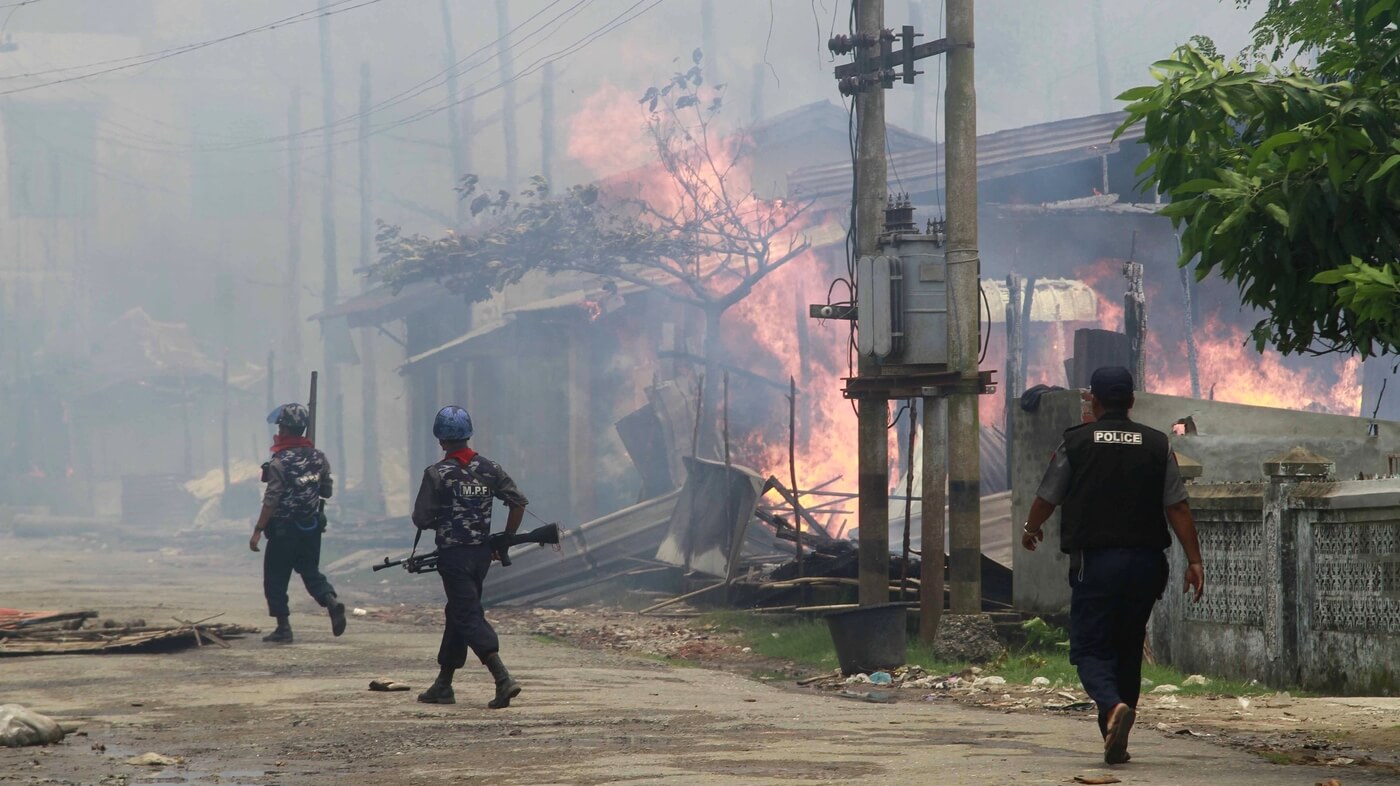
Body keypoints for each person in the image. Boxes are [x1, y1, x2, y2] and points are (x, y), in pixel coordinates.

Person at [1021, 366, 1205, 766]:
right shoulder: (1158, 445)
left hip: (1095, 563)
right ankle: (1116, 737)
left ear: (1094, 401)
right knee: (1127, 647)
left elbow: (1047, 496)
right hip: (1145, 565)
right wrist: (1194, 559)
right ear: (1132, 401)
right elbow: (1177, 505)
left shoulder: (1077, 442)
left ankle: (1110, 707)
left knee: (1089, 647)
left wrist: (1030, 528)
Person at [412, 405, 530, 709]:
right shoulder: (491, 469)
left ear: (441, 439)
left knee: (467, 614)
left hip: (453, 557)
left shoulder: (437, 473)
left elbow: (421, 518)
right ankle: (443, 684)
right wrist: (505, 538)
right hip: (481, 556)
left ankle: (502, 677)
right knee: (458, 613)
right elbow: (518, 503)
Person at [249, 403, 346, 644]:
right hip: (311, 527)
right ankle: (331, 601)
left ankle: (283, 628)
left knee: (275, 577)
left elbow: (271, 499)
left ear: (283, 429)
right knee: (311, 572)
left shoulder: (279, 462)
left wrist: (258, 530)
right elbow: (327, 491)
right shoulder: (319, 457)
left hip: (283, 530)